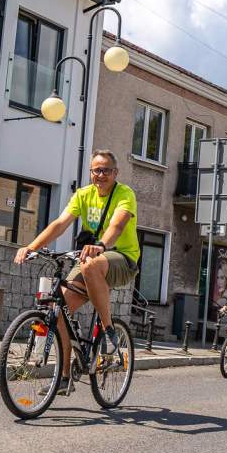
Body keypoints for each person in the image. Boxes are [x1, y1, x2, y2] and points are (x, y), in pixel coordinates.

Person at [14, 149, 139, 395]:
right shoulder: (83, 195)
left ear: (115, 173)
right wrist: (31, 247)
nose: (100, 175)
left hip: (122, 259)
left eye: (105, 170)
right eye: (96, 170)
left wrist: (101, 245)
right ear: (90, 172)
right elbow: (60, 224)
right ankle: (64, 377)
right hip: (91, 258)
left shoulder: (125, 194)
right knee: (58, 309)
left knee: (91, 264)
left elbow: (117, 225)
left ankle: (108, 328)